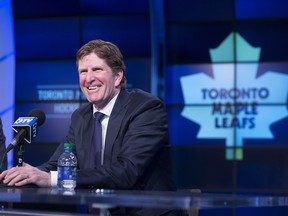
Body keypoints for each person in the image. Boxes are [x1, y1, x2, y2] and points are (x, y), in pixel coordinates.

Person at [0, 39, 181, 215]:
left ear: (117, 77)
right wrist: (29, 174)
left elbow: (126, 171)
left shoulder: (146, 108)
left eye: (97, 69)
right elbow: (57, 164)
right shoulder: (81, 117)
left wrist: (51, 179)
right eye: (83, 71)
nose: (89, 78)